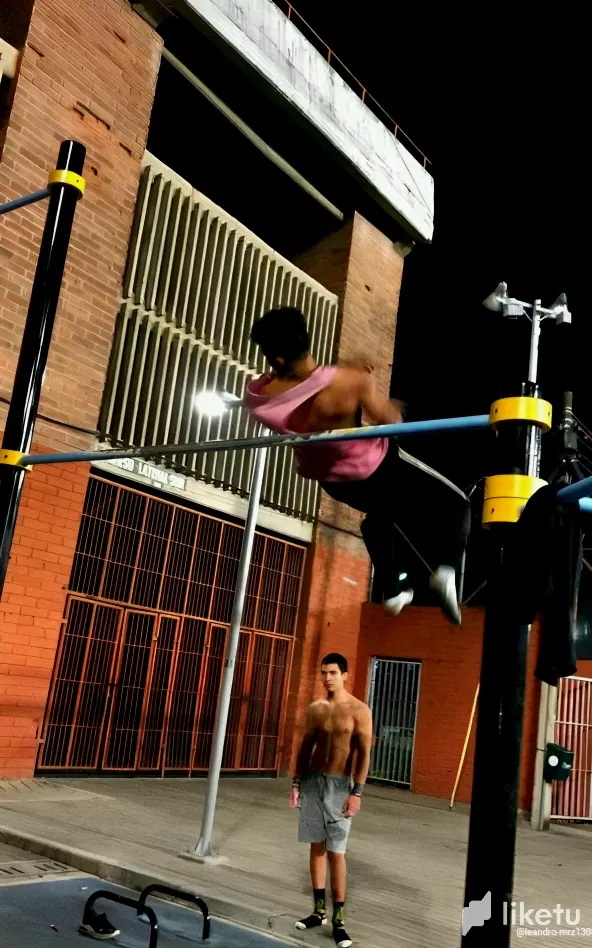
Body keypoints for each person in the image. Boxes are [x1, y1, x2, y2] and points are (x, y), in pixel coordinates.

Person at [245, 306, 471, 623]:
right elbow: (391, 420)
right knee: (457, 504)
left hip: (334, 483)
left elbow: (284, 388)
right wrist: (374, 391)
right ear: (305, 338)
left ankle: (392, 590)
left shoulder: (259, 400)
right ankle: (445, 570)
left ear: (277, 359)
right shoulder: (349, 383)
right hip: (378, 469)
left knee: (379, 518)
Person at [291, 653, 372, 948]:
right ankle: (318, 912)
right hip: (313, 782)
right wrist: (296, 783)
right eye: (324, 672)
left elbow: (364, 754)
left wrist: (356, 793)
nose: (327, 678)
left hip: (340, 786)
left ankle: (339, 921)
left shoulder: (359, 710)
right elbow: (304, 749)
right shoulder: (316, 709)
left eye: (333, 672)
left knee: (336, 852)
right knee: (316, 847)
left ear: (345, 675)